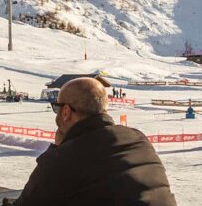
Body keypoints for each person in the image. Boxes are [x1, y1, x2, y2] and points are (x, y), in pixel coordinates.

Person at [11, 77, 175, 206]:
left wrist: (57, 150)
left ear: (66, 112)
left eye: (57, 108)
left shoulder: (62, 160)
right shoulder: (139, 139)